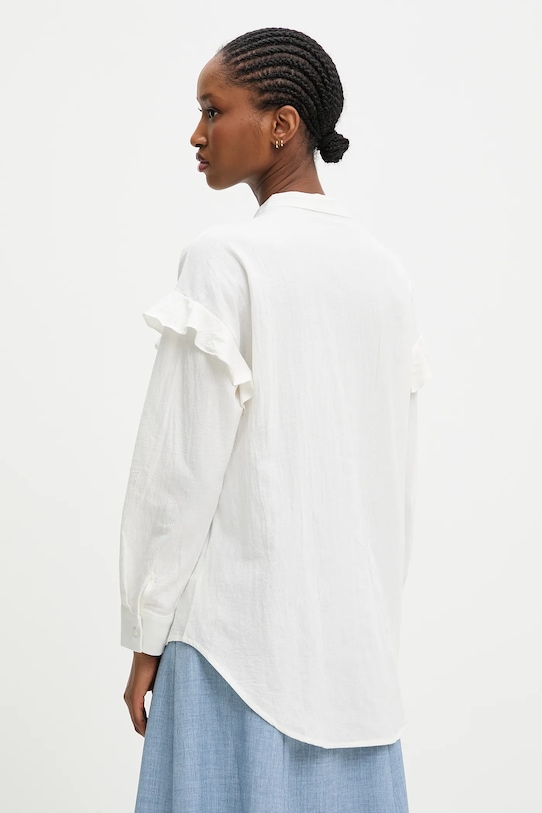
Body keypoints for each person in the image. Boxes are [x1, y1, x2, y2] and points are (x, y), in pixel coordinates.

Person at [120, 26, 431, 813]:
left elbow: (179, 467)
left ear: (282, 124)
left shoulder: (225, 259)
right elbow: (394, 479)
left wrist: (147, 631)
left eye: (212, 110)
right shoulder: (387, 277)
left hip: (232, 647)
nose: (197, 135)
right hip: (356, 666)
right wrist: (370, 621)